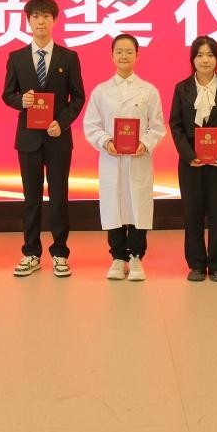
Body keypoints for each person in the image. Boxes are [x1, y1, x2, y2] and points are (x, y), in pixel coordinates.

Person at [2, 0, 86, 278]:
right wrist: (20, 101)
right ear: (28, 21)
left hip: (58, 137)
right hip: (28, 139)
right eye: (35, 17)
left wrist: (62, 123)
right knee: (31, 198)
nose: (41, 21)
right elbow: (7, 94)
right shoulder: (16, 57)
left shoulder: (68, 57)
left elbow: (78, 97)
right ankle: (31, 253)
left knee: (59, 197)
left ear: (54, 20)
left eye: (46, 16)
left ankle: (60, 253)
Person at [84, 34, 166, 281]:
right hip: (112, 160)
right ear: (111, 56)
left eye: (129, 51)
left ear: (137, 55)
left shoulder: (148, 90)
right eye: (119, 51)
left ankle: (136, 257)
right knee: (114, 206)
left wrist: (145, 143)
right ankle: (118, 257)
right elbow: (91, 124)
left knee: (138, 206)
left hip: (138, 160)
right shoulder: (101, 91)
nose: (123, 56)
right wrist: (105, 142)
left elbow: (157, 126)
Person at [168, 36, 217, 282]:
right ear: (193, 59)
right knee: (193, 214)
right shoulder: (182, 88)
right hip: (191, 163)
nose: (205, 60)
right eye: (200, 55)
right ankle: (197, 264)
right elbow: (175, 124)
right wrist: (188, 155)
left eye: (210, 55)